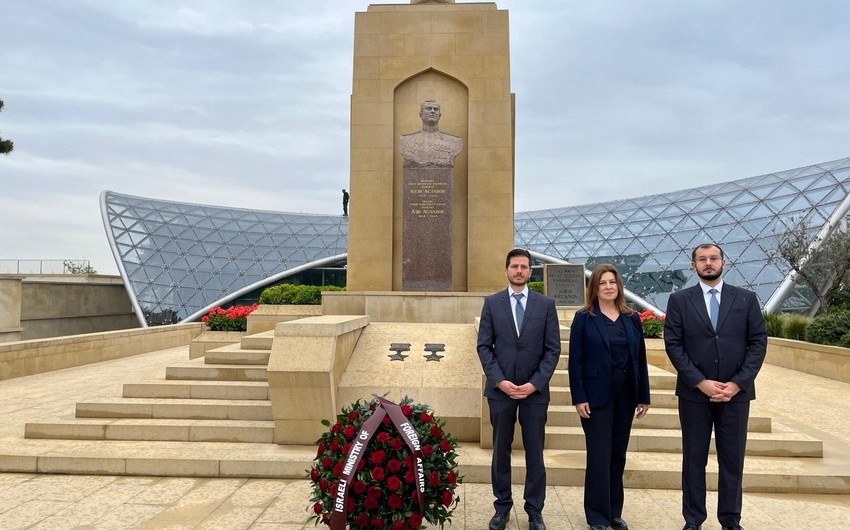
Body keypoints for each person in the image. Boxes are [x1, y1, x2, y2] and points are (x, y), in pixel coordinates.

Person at [664, 243, 767, 530]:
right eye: (702, 259)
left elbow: (758, 343)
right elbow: (674, 344)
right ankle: (693, 520)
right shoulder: (680, 300)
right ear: (693, 264)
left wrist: (737, 383)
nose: (708, 263)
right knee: (694, 461)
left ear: (724, 262)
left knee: (732, 461)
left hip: (735, 396)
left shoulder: (746, 299)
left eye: (713, 258)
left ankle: (731, 520)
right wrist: (700, 382)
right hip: (694, 395)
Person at [477, 248, 561, 530]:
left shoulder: (545, 304)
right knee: (501, 451)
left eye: (524, 267)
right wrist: (500, 381)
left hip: (534, 393)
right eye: (514, 266)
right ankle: (502, 508)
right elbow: (483, 347)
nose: (519, 271)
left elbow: (552, 350)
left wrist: (534, 383)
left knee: (535, 452)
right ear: (506, 270)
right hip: (500, 392)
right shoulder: (492, 303)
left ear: (530, 271)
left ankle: (534, 510)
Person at [569, 264, 650, 530]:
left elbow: (640, 359)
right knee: (599, 455)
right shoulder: (584, 318)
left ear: (619, 286)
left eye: (612, 282)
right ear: (595, 288)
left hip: (626, 395)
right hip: (595, 397)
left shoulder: (631, 318)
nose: (608, 287)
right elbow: (576, 362)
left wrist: (643, 396)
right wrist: (579, 397)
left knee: (618, 455)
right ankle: (597, 515)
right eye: (602, 282)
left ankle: (614, 512)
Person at [398, 100, 462, 168]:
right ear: (421, 115)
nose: (432, 111)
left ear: (439, 115)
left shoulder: (454, 141)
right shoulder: (406, 140)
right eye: (428, 108)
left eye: (436, 109)